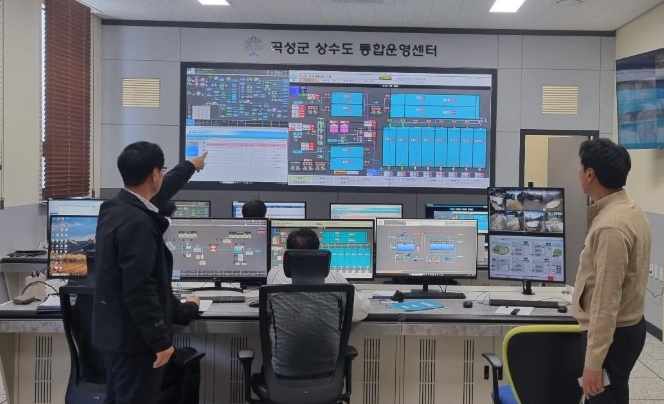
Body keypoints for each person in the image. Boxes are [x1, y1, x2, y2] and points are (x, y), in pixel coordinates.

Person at [92, 142, 207, 404]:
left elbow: (162, 190)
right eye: (162, 171)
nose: (163, 176)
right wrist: (160, 342)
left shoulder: (114, 208)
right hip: (136, 342)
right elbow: (140, 289)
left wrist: (190, 166)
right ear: (155, 174)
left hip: (113, 335)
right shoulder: (138, 223)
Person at [573, 138, 651, 404]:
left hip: (613, 336)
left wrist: (593, 363)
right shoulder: (631, 210)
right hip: (629, 328)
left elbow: (606, 300)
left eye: (581, 168)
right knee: (613, 396)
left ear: (590, 174)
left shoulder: (611, 227)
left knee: (603, 398)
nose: (579, 173)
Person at [268, 228, 371, 322]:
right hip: (327, 337)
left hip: (283, 337)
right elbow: (360, 312)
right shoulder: (334, 278)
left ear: (287, 252)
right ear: (317, 251)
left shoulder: (274, 274)